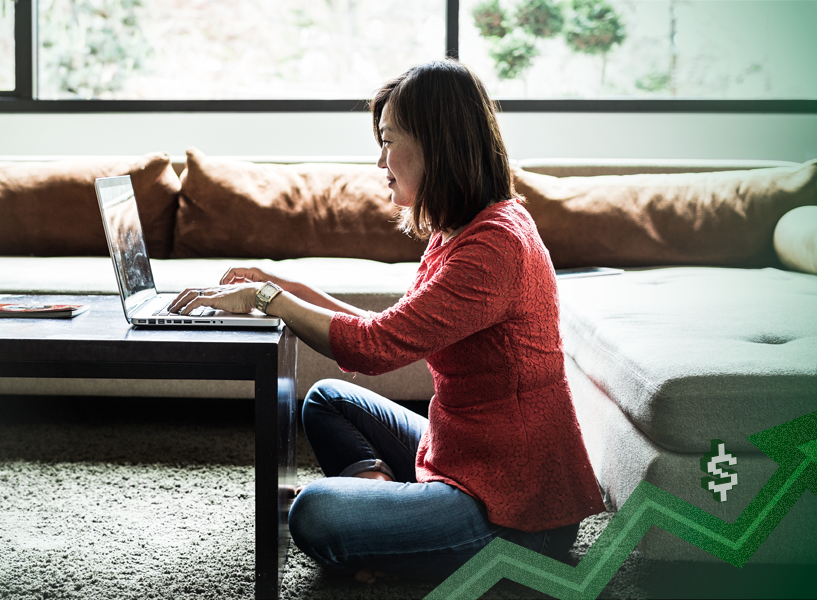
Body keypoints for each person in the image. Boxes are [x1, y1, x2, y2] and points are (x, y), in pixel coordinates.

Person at [166, 59, 604, 584]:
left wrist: (266, 298)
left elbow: (375, 348)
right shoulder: (464, 228)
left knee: (312, 512)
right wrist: (276, 285)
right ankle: (392, 520)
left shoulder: (495, 245)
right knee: (329, 399)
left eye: (389, 140)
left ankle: (398, 531)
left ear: (436, 145)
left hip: (515, 507)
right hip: (467, 452)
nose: (380, 161)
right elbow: (387, 327)